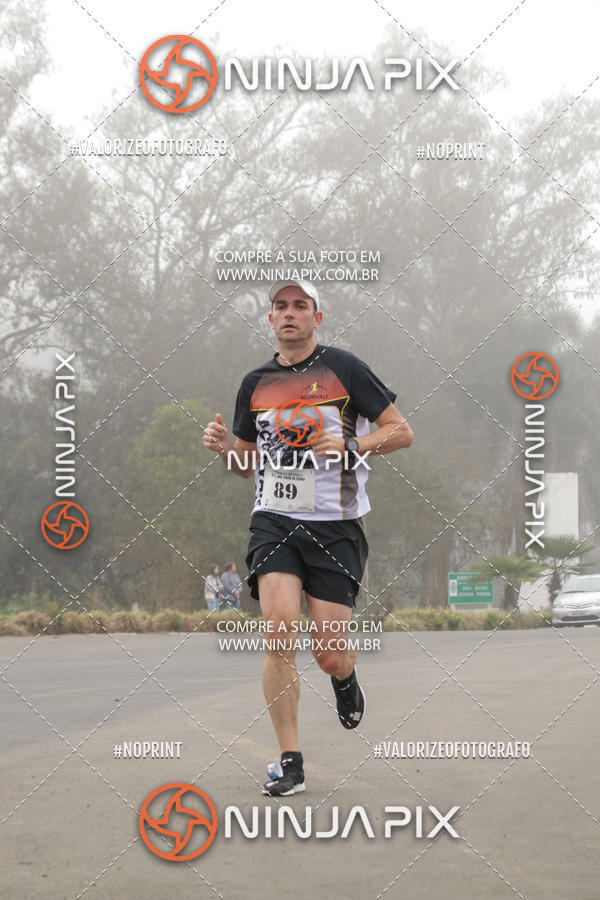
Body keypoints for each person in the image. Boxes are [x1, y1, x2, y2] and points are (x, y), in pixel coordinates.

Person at [203, 279, 413, 796]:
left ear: (317, 318)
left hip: (336, 527)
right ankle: (290, 762)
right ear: (270, 319)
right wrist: (224, 448)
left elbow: (401, 431)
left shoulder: (345, 368)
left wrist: (349, 444)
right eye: (281, 306)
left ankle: (344, 678)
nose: (289, 313)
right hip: (273, 521)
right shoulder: (255, 382)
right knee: (278, 632)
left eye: (300, 306)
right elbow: (245, 464)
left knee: (329, 653)